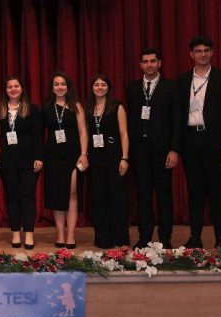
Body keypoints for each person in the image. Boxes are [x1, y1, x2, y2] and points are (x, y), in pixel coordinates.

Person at [176, 36, 221, 250]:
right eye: (198, 51)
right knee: (195, 192)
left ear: (211, 53)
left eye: (206, 50)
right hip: (190, 141)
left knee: (217, 191)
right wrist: (176, 146)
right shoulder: (183, 80)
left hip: (214, 142)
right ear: (191, 54)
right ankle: (195, 236)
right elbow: (177, 115)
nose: (202, 54)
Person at [125, 48, 181, 249]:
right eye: (145, 61)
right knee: (143, 194)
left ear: (159, 63)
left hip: (163, 150)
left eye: (153, 61)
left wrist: (174, 149)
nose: (149, 65)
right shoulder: (133, 88)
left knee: (164, 194)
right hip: (140, 150)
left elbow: (177, 120)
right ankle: (144, 237)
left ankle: (165, 238)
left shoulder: (171, 87)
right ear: (141, 65)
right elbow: (131, 119)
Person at [0, 76, 43, 249]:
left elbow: (38, 135)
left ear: (22, 88)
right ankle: (15, 233)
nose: (13, 89)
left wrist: (39, 157)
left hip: (28, 160)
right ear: (6, 90)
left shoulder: (32, 109)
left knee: (28, 196)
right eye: (10, 86)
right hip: (7, 161)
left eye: (16, 86)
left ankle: (29, 234)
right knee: (12, 197)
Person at [42, 72, 88, 249]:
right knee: (57, 195)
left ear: (68, 87)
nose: (60, 87)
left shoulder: (76, 106)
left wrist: (84, 154)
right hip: (53, 157)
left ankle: (71, 235)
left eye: (63, 84)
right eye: (56, 84)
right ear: (52, 88)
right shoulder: (47, 108)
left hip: (73, 156)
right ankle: (61, 234)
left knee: (72, 192)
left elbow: (83, 131)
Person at [86, 75, 130, 248]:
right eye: (96, 84)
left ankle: (121, 239)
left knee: (118, 199)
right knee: (99, 199)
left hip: (115, 158)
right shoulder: (89, 108)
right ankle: (103, 239)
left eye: (103, 84)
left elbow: (124, 133)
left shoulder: (117, 106)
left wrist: (124, 158)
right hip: (96, 159)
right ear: (92, 88)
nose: (100, 87)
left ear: (108, 87)